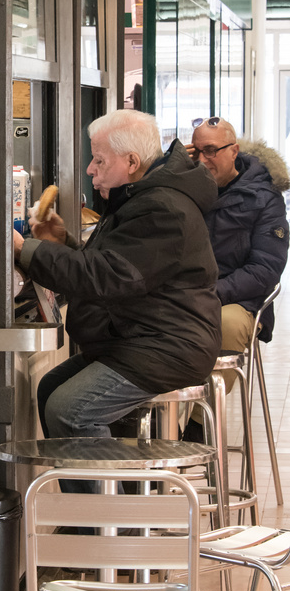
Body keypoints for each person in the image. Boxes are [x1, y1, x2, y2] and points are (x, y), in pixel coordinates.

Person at [13, 109, 221, 489]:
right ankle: (96, 517)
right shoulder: (141, 194)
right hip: (137, 336)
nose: (91, 170)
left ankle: (110, 523)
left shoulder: (163, 206)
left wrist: (26, 250)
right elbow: (118, 267)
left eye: (99, 160)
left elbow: (107, 277)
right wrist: (63, 244)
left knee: (69, 410)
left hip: (167, 345)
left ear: (131, 161)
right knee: (48, 390)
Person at [183, 117, 289, 438]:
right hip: (186, 293)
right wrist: (172, 165)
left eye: (212, 150)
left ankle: (198, 429)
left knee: (223, 323)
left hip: (237, 301)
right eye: (197, 151)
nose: (203, 159)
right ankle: (143, 419)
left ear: (234, 151)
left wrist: (212, 293)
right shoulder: (185, 188)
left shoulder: (264, 198)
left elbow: (265, 270)